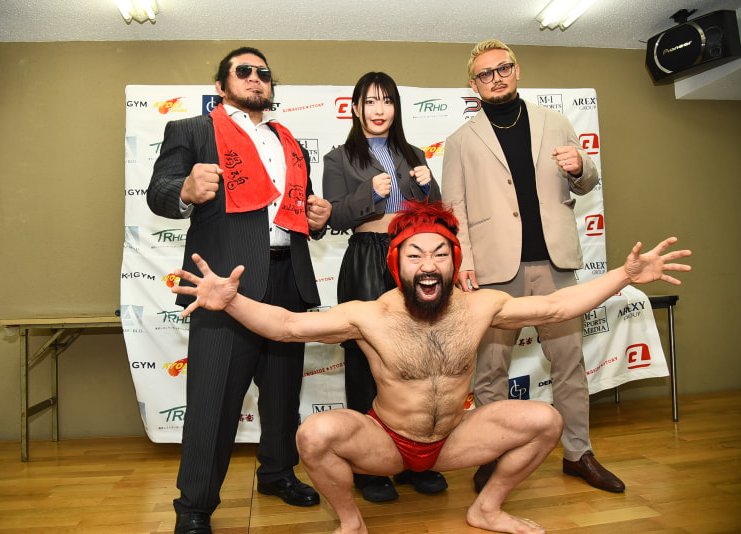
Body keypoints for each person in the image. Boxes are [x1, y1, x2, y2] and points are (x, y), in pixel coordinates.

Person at [171, 200, 691, 534]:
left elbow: (556, 307)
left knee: (545, 420)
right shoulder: (368, 316)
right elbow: (286, 326)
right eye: (415, 254)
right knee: (314, 434)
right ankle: (351, 523)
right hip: (386, 443)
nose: (428, 264)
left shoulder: (481, 306)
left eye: (440, 254)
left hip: (453, 439)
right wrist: (232, 302)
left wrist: (624, 275)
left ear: (453, 262)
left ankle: (487, 508)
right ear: (397, 263)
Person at [146, 46, 332, 534]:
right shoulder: (191, 129)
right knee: (213, 399)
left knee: (282, 395)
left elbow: (299, 211)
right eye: (243, 71)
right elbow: (158, 191)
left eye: (263, 73)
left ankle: (277, 473)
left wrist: (317, 220)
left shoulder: (289, 141)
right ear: (221, 85)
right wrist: (185, 191)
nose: (255, 78)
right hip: (222, 284)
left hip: (287, 279)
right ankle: (194, 506)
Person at [441, 39, 623, 493]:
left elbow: (585, 182)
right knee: (490, 370)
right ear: (473, 84)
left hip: (555, 264)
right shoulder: (461, 141)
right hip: (494, 271)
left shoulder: (555, 122)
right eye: (485, 73)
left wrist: (580, 166)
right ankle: (493, 454)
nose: (496, 77)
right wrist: (463, 260)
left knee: (569, 364)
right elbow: (454, 207)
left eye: (503, 68)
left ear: (517, 70)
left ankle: (578, 453)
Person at [322, 72, 446, 502]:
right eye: (370, 101)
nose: (379, 110)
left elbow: (437, 215)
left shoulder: (413, 154)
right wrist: (368, 193)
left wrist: (430, 189)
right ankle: (368, 468)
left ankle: (417, 461)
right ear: (355, 108)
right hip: (366, 257)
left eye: (387, 101)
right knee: (365, 360)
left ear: (396, 108)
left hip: (413, 257)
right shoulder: (339, 158)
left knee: (420, 358)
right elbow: (334, 217)